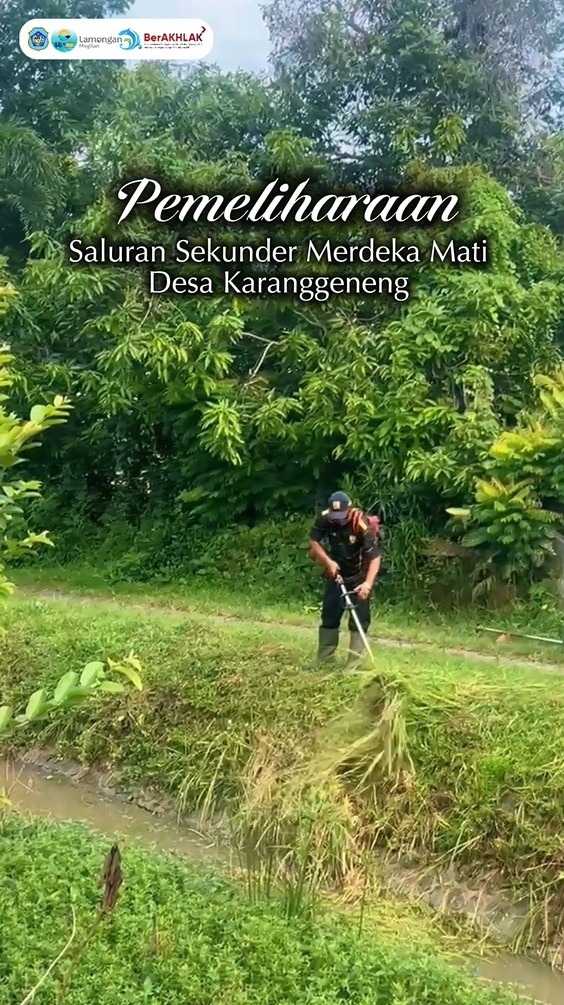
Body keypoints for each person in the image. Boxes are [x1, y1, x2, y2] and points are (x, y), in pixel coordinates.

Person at [309, 490, 381, 668]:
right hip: (336, 573)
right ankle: (325, 660)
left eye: (342, 516)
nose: (338, 520)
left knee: (359, 619)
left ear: (349, 510)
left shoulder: (360, 523)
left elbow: (375, 558)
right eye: (336, 516)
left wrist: (368, 584)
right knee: (329, 615)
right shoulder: (326, 518)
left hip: (359, 576)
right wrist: (328, 562)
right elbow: (314, 542)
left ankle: (354, 666)